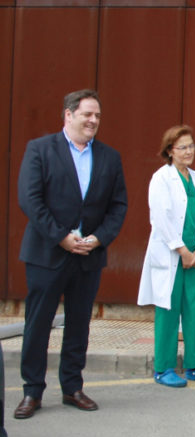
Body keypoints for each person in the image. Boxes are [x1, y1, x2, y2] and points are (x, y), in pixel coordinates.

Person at [14, 89, 128, 419]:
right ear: (68, 115)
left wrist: (99, 238)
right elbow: (30, 200)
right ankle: (32, 391)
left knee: (79, 324)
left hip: (88, 256)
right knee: (38, 324)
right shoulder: (40, 150)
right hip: (47, 253)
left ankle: (72, 387)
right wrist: (61, 237)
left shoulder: (109, 157)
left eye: (97, 116)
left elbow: (118, 206)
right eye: (86, 114)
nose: (93, 120)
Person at [138, 125, 195, 388]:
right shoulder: (161, 179)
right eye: (182, 147)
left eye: (191, 146)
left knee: (194, 310)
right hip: (172, 256)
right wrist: (182, 250)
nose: (188, 151)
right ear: (170, 151)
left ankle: (194, 366)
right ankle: (163, 368)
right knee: (168, 310)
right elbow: (160, 218)